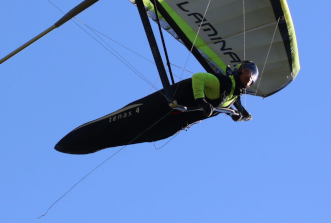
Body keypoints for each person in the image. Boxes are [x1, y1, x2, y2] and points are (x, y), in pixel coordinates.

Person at [54, 61, 258, 154]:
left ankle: (91, 146)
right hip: (164, 104)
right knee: (120, 120)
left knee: (131, 135)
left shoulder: (233, 97)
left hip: (173, 122)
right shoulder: (223, 82)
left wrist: (240, 116)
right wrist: (202, 101)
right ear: (239, 71)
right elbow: (199, 78)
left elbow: (239, 112)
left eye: (252, 79)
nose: (248, 79)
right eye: (247, 74)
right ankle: (78, 139)